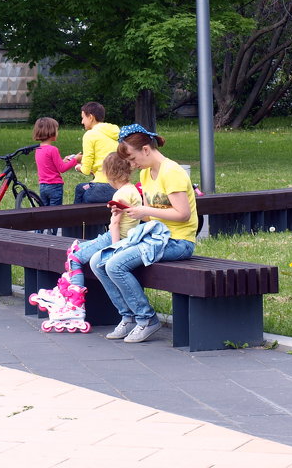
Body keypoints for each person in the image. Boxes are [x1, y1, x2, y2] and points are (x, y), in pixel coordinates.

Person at [94, 123, 198, 343]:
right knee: (98, 261)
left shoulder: (172, 172)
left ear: (146, 150)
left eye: (132, 158)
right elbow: (151, 218)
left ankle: (147, 319)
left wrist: (144, 210)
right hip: (154, 236)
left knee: (115, 265)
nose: (132, 165)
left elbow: (183, 215)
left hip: (178, 241)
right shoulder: (146, 175)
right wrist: (127, 211)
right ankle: (128, 316)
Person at [29, 151, 143, 332]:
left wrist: (114, 249)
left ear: (109, 174)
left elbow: (114, 225)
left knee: (75, 258)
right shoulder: (132, 190)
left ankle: (75, 303)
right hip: (127, 236)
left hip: (116, 238)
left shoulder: (119, 196)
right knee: (75, 248)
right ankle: (62, 292)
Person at [73, 101, 120, 204]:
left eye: (83, 118)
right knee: (81, 188)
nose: (82, 122)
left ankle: (77, 219)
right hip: (120, 185)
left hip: (102, 185)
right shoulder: (115, 133)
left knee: (83, 192)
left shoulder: (90, 135)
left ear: (90, 117)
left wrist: (78, 167)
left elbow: (86, 170)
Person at [32, 116, 80, 209]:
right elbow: (62, 169)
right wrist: (75, 160)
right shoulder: (53, 149)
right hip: (54, 186)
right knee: (55, 212)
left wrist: (63, 161)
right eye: (57, 130)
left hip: (43, 186)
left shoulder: (38, 149)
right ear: (51, 132)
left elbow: (49, 165)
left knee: (44, 211)